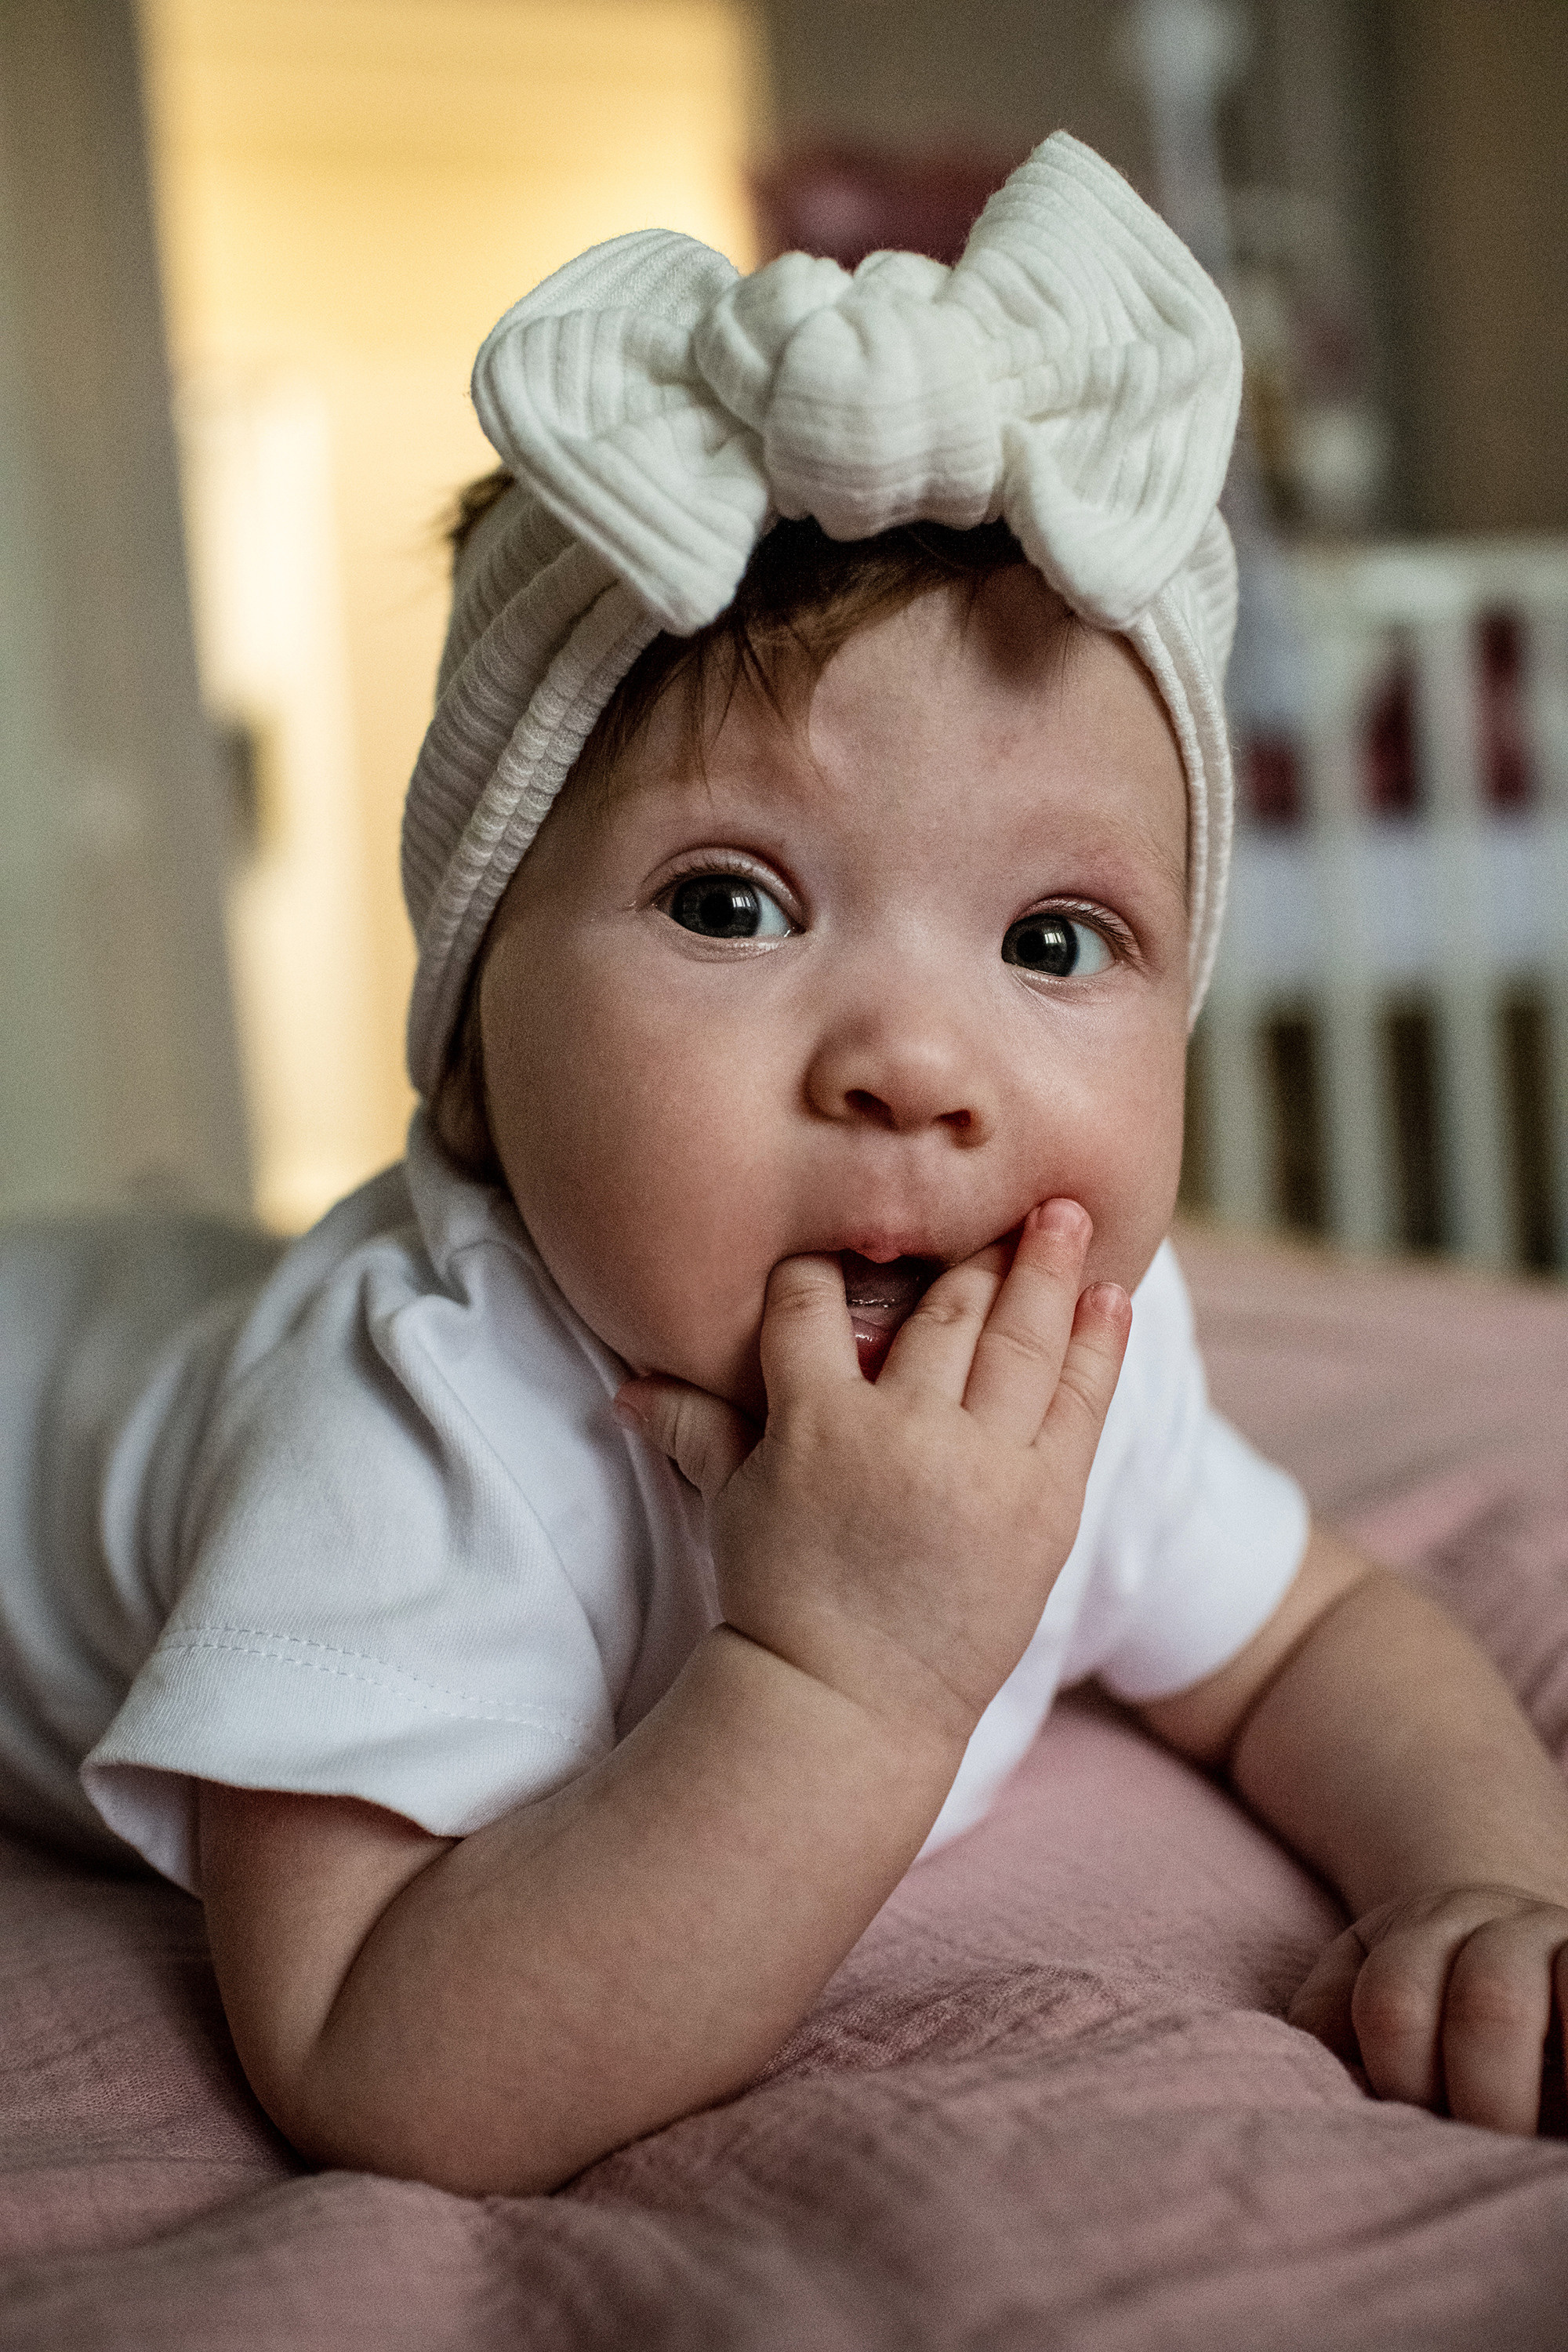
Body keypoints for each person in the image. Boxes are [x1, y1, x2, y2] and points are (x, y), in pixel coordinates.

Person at [4, 133, 1568, 2198]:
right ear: (470, 1070)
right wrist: (841, 1682)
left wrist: (1483, 1876)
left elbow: (1304, 1638)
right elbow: (377, 2056)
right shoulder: (416, 1409)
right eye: (732, 905)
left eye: (1053, 942)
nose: (917, 1066)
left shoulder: (1072, 1349)